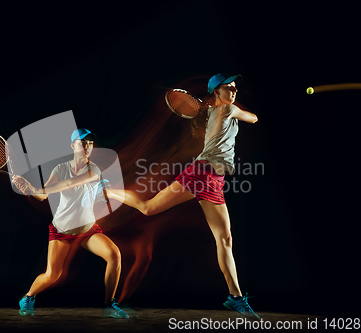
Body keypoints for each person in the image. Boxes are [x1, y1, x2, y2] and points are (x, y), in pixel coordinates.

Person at [104, 74, 261, 319]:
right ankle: (107, 190)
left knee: (225, 239)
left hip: (214, 181)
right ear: (216, 92)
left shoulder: (212, 112)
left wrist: (210, 106)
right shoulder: (229, 109)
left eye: (234, 86)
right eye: (227, 87)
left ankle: (235, 298)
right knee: (149, 208)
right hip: (201, 174)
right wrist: (223, 107)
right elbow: (254, 117)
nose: (234, 90)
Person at [11, 128, 129, 319]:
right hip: (62, 229)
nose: (87, 147)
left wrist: (36, 188)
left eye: (90, 143)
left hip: (87, 229)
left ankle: (109, 305)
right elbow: (42, 196)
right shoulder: (60, 169)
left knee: (114, 254)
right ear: (73, 145)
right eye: (83, 143)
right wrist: (29, 188)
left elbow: (68, 184)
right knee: (52, 275)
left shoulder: (94, 170)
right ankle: (28, 297)